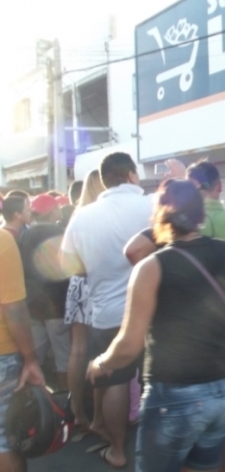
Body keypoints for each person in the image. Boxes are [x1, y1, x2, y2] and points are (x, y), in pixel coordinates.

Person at [86, 179, 225, 472]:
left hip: (174, 393)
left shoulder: (151, 267)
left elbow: (129, 344)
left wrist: (101, 363)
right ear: (201, 215)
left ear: (159, 217)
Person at [60, 153, 152, 468]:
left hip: (108, 314)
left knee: (115, 381)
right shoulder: (152, 205)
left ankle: (118, 451)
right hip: (156, 311)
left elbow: (68, 265)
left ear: (104, 179)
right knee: (161, 378)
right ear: (131, 175)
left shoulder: (82, 216)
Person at [63, 170, 104, 440]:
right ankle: (100, 417)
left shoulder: (77, 217)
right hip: (103, 284)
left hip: (78, 283)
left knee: (78, 350)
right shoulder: (107, 215)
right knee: (103, 352)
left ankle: (77, 412)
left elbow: (63, 261)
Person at [0, 228, 45, 472]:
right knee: (5, 440)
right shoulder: (2, 240)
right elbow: (13, 308)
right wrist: (31, 359)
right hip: (2, 353)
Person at [18, 194, 70, 390]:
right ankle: (66, 399)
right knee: (64, 358)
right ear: (52, 211)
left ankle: (34, 399)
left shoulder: (24, 235)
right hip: (57, 305)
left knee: (34, 358)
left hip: (32, 305)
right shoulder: (60, 232)